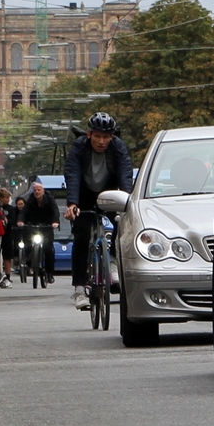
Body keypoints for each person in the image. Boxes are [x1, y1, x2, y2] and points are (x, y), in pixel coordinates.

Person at [63, 112, 134, 311]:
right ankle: (79, 288)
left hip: (108, 192)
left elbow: (125, 173)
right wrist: (72, 204)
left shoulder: (118, 147)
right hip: (83, 195)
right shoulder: (79, 148)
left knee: (123, 220)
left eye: (106, 137)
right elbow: (72, 173)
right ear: (89, 135)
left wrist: (127, 199)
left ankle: (112, 260)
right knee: (82, 236)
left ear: (112, 137)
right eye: (97, 136)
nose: (102, 141)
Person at [19, 178, 60, 284]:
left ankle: (49, 273)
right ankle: (29, 263)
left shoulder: (49, 199)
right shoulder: (30, 200)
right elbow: (24, 211)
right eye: (35, 190)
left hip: (47, 227)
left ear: (43, 191)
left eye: (39, 190)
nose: (37, 192)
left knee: (49, 249)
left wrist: (55, 222)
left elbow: (55, 210)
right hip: (34, 226)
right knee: (27, 244)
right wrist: (21, 221)